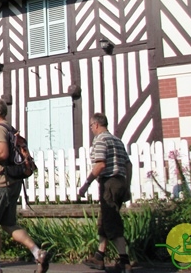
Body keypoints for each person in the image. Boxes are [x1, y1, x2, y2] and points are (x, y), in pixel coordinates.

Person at [0, 98, 49, 273]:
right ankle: (37, 252)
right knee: (9, 224)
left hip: (0, 184)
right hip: (12, 182)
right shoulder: (12, 130)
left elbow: (3, 154)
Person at [78, 113, 133, 273]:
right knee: (105, 220)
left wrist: (86, 184)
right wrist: (127, 186)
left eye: (90, 126)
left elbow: (101, 164)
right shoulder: (117, 140)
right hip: (121, 181)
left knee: (112, 223)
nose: (90, 129)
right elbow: (128, 165)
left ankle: (124, 261)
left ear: (96, 125)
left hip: (109, 183)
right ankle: (99, 257)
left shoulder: (101, 140)